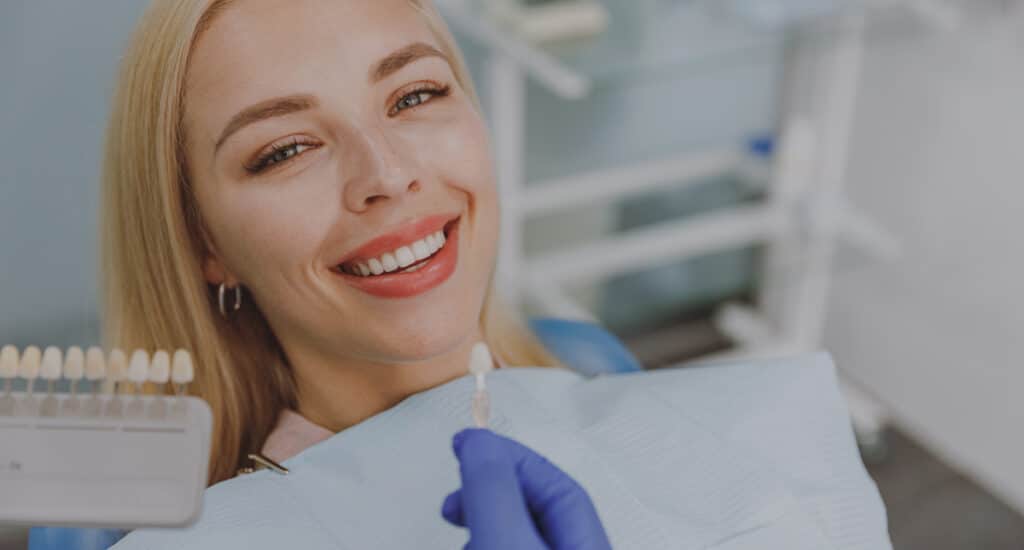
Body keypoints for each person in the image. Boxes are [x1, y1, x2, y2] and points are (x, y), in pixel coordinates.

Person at [105, 1, 892, 548]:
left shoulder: (623, 382)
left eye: (414, 94)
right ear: (206, 242)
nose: (387, 173)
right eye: (286, 149)